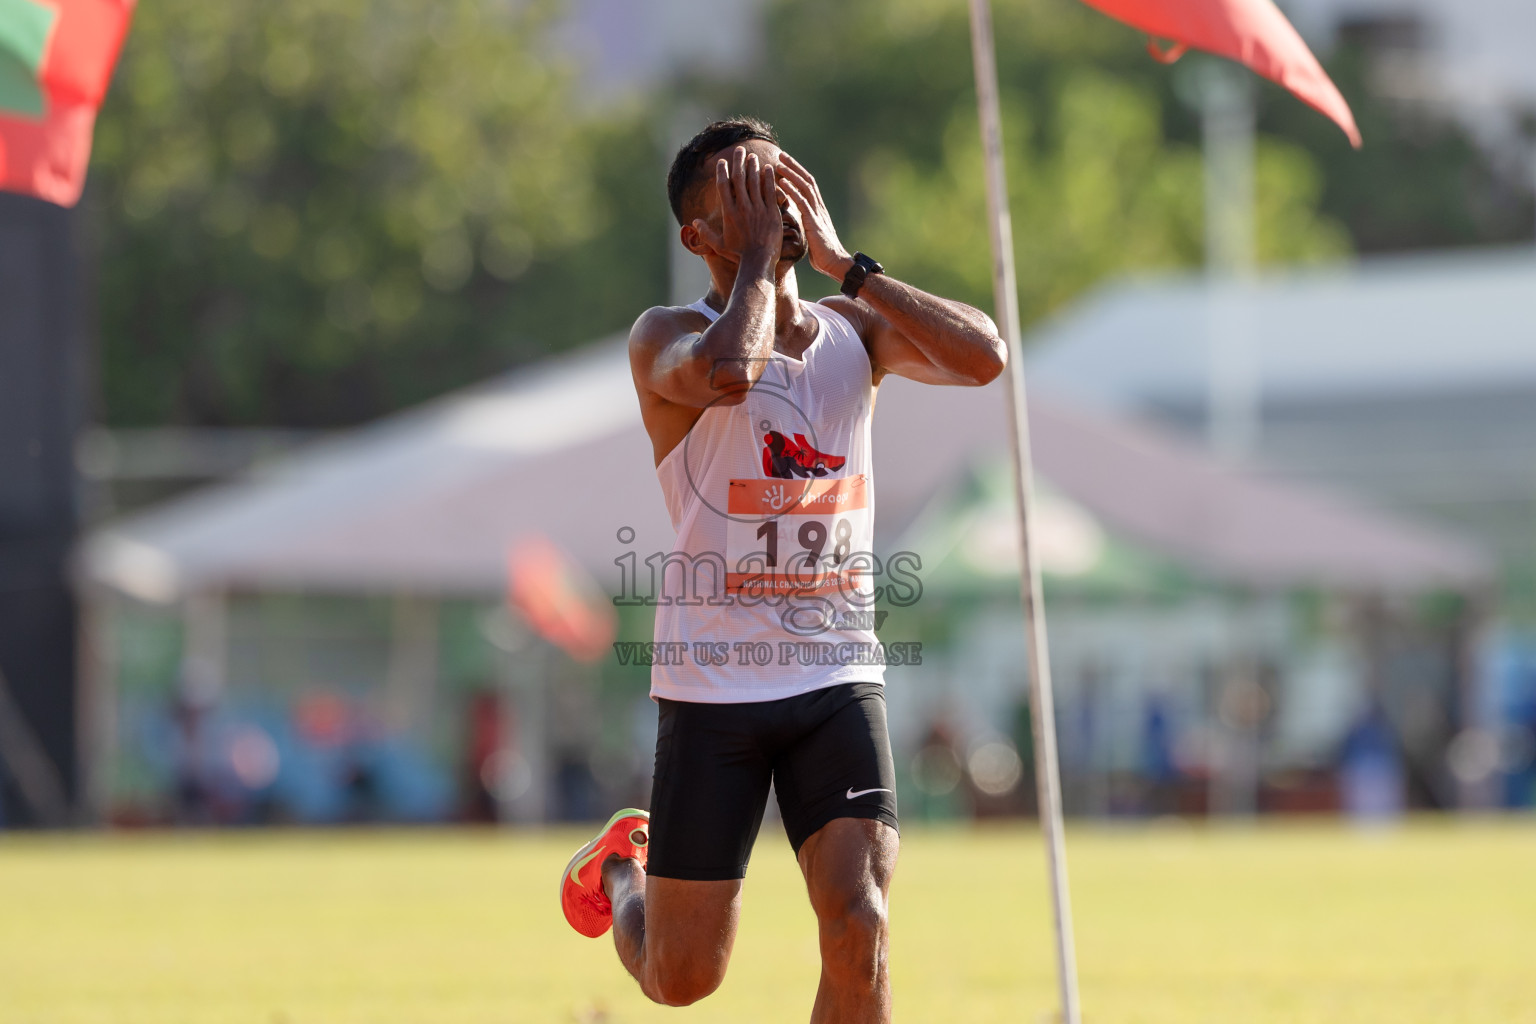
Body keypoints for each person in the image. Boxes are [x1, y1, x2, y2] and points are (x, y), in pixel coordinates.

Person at [558, 117, 1007, 1022]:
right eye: (746, 193)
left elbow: (985, 356)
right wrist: (762, 262)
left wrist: (852, 267)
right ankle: (619, 869)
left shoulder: (857, 332)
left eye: (784, 179)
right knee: (684, 978)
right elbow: (732, 369)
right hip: (713, 686)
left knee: (860, 922)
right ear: (699, 236)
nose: (776, 202)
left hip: (836, 674)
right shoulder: (665, 337)